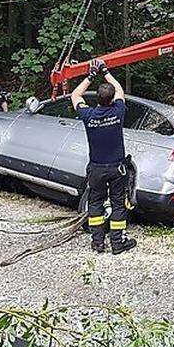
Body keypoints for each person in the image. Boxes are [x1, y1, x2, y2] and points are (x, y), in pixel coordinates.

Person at [72, 58, 136, 255]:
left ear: (97, 98)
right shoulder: (118, 111)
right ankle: (118, 243)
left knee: (96, 203)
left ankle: (97, 242)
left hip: (97, 169)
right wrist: (105, 70)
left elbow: (75, 94)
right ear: (111, 99)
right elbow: (119, 90)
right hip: (117, 168)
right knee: (118, 204)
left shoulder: (88, 115)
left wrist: (91, 75)